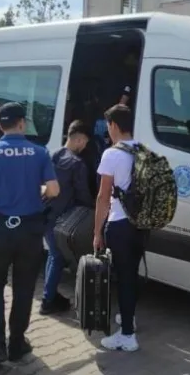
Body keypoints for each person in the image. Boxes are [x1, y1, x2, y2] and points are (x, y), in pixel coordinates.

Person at [0, 102, 60, 365]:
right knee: (24, 287)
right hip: (30, 231)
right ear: (22, 123)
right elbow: (53, 190)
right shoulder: (40, 153)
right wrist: (38, 193)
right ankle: (17, 343)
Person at [93, 104, 145, 352]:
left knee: (123, 279)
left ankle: (127, 336)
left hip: (120, 223)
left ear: (113, 125)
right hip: (141, 224)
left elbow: (103, 197)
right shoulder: (143, 150)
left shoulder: (111, 154)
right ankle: (129, 318)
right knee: (131, 275)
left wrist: (96, 232)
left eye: (108, 126)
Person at [40, 120, 94, 315]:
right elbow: (82, 194)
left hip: (44, 213)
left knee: (53, 254)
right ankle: (47, 301)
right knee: (57, 256)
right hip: (63, 218)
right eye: (85, 142)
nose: (85, 146)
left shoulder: (51, 155)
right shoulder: (77, 164)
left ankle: (50, 293)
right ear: (78, 139)